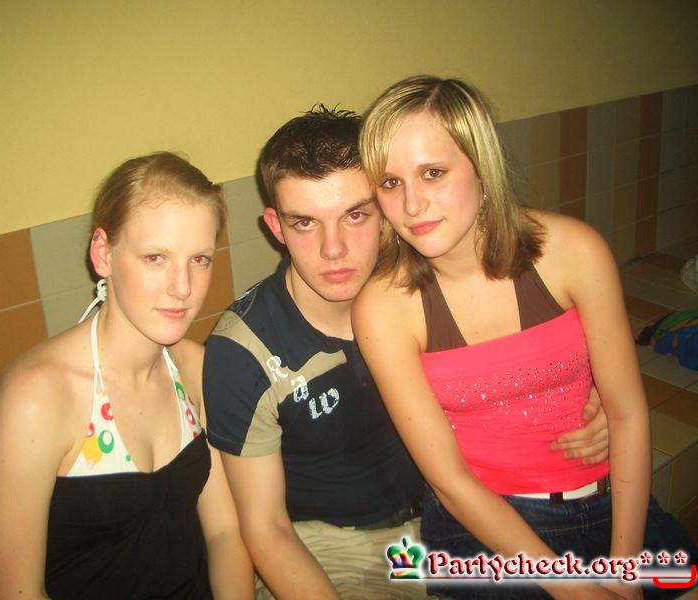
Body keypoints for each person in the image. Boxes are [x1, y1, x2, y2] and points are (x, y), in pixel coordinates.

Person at [202, 106, 610, 600]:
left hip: (458, 513)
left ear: (386, 209)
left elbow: (529, 355)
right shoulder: (245, 352)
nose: (334, 249)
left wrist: (591, 395)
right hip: (333, 548)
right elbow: (267, 530)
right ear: (275, 226)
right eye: (305, 222)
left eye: (355, 215)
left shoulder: (430, 286)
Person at [354, 75, 698, 600]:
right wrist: (574, 589)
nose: (413, 205)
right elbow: (450, 480)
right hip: (483, 530)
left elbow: (627, 413)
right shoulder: (385, 306)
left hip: (613, 506)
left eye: (433, 173)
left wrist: (624, 573)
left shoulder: (574, 251)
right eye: (390, 183)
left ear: (481, 164)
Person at [0, 152, 255, 599]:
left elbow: (224, 532)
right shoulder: (36, 397)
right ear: (103, 254)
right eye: (155, 257)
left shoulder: (195, 368)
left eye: (200, 259)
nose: (182, 287)